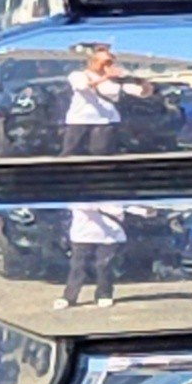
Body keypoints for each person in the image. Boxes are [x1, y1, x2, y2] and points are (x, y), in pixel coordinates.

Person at [59, 42, 126, 306]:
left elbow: (113, 94)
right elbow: (83, 87)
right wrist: (105, 77)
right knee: (69, 154)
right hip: (78, 119)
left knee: (101, 157)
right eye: (103, 60)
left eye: (109, 61)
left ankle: (104, 294)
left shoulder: (112, 82)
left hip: (105, 122)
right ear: (93, 61)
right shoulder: (78, 75)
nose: (107, 64)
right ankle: (69, 297)